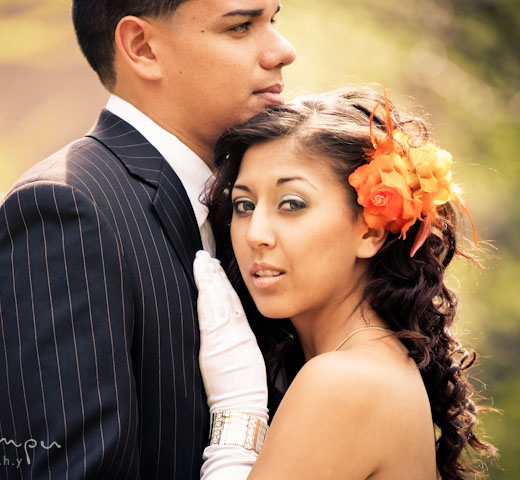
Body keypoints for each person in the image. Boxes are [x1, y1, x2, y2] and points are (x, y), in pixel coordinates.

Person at [0, 0, 295, 478]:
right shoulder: (62, 212)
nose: (284, 51)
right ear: (142, 48)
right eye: (241, 26)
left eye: (273, 21)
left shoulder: (245, 208)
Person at [194, 87, 497, 479]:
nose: (256, 234)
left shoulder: (343, 381)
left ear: (370, 232)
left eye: (292, 204)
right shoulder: (373, 363)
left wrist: (237, 410)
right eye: (244, 205)